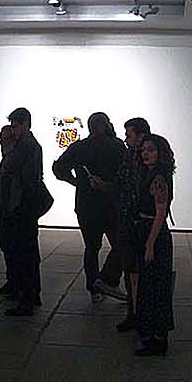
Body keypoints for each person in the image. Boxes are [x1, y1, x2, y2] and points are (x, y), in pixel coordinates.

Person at [53, 110, 128, 303]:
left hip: (86, 205)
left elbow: (58, 168)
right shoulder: (117, 146)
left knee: (92, 248)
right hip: (111, 204)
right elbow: (126, 176)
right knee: (121, 244)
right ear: (106, 125)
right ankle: (108, 280)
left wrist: (77, 182)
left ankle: (95, 288)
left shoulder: (79, 147)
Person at [0, 106, 49, 315]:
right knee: (23, 250)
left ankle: (27, 298)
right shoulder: (27, 144)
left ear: (25, 124)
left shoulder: (25, 145)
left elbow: (10, 166)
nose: (13, 131)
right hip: (19, 204)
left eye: (15, 126)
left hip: (22, 205)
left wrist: (8, 147)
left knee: (25, 252)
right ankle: (25, 292)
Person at [132, 133, 177, 356]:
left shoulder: (159, 178)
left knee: (156, 287)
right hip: (146, 231)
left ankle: (157, 338)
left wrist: (150, 244)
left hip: (155, 235)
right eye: (143, 150)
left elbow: (160, 213)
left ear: (160, 153)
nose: (145, 154)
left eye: (150, 150)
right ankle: (151, 335)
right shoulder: (148, 174)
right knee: (149, 286)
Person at [109, 116, 152, 331]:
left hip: (138, 222)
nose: (126, 139)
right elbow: (121, 183)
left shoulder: (146, 161)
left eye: (129, 135)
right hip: (127, 219)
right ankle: (134, 312)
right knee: (130, 269)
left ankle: (140, 314)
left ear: (140, 135)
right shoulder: (130, 156)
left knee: (140, 271)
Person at [0, 124, 19, 296]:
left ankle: (16, 283)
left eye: (5, 138)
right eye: (0, 138)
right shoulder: (7, 158)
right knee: (6, 245)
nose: (2, 142)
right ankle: (12, 281)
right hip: (4, 209)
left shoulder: (14, 159)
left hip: (11, 210)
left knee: (12, 246)